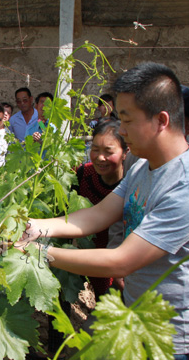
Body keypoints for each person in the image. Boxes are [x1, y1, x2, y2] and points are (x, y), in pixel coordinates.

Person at [18, 62, 189, 359]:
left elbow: (121, 261)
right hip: (136, 318)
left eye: (126, 120)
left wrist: (38, 253)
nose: (121, 131)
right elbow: (99, 213)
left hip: (176, 342)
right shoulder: (143, 165)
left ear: (161, 120)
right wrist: (36, 226)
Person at [73, 119, 128, 298]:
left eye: (108, 151)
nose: (99, 157)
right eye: (95, 149)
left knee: (104, 300)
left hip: (112, 255)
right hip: (81, 251)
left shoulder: (130, 184)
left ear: (125, 153)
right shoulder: (83, 174)